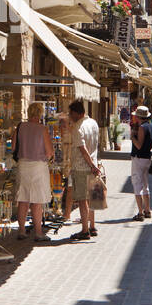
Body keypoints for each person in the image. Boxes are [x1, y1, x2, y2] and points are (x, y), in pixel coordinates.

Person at [13, 102, 54, 242]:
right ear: (40, 113)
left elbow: (13, 148)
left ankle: (21, 230)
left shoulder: (20, 127)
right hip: (38, 167)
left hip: (23, 165)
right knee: (37, 201)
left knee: (23, 198)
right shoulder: (43, 129)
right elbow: (49, 152)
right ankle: (38, 232)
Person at [66, 100, 102, 240]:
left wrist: (91, 165)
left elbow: (82, 149)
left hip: (82, 167)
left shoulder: (78, 127)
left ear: (77, 113)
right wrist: (94, 166)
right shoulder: (93, 123)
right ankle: (92, 226)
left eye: (71, 113)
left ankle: (85, 230)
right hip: (93, 165)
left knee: (82, 199)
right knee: (92, 198)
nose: (70, 116)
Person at [130, 105, 152, 221]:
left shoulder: (142, 128)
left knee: (137, 184)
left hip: (139, 158)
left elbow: (139, 145)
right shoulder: (151, 127)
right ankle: (148, 210)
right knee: (145, 185)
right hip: (147, 159)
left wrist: (132, 137)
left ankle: (140, 212)